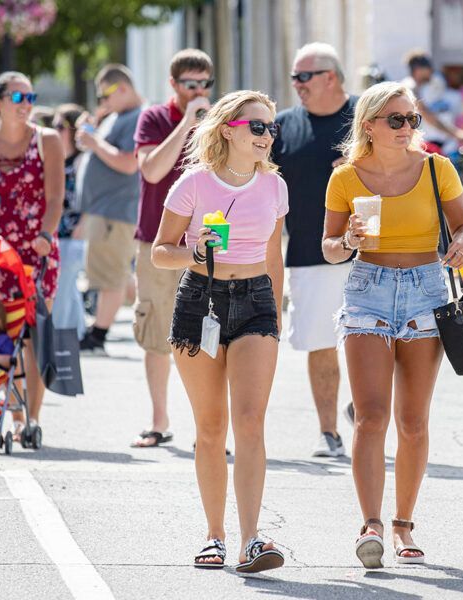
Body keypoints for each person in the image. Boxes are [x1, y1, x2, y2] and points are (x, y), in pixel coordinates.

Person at [322, 81, 463, 568]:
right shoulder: (346, 177)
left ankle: (403, 525)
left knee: (412, 422)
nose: (407, 128)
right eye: (396, 120)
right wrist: (346, 237)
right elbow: (327, 248)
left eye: (412, 119)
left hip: (426, 291)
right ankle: (369, 523)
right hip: (368, 288)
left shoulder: (437, 167)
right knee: (371, 417)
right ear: (368, 124)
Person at [152, 90, 286, 573]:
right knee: (211, 427)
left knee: (249, 420)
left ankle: (253, 538)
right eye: (257, 127)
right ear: (229, 128)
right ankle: (215, 534)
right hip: (199, 300)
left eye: (272, 128)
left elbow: (274, 258)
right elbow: (160, 251)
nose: (266, 136)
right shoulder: (194, 183)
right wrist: (195, 252)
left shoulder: (274, 187)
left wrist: (276, 310)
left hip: (255, 303)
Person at [273, 42, 357, 457]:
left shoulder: (368, 116)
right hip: (310, 252)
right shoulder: (282, 126)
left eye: (303, 76)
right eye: (293, 76)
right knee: (322, 344)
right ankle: (329, 432)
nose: (296, 84)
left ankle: (365, 406)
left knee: (383, 344)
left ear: (331, 76)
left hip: (375, 253)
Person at [132, 48, 214, 448]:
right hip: (157, 241)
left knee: (208, 336)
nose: (198, 91)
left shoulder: (219, 121)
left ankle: (208, 428)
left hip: (207, 243)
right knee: (157, 332)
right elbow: (151, 170)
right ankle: (159, 420)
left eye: (204, 84)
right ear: (174, 85)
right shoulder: (154, 118)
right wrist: (185, 123)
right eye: (190, 84)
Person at [0, 71, 64, 438]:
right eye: (18, 98)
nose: (27, 105)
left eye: (31, 97)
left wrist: (46, 233)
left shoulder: (47, 140)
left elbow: (56, 197)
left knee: (32, 332)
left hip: (36, 249)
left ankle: (28, 419)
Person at [77, 64, 143, 354]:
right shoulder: (119, 116)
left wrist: (94, 142)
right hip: (105, 210)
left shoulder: (137, 117)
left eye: (106, 95)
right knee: (113, 274)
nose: (103, 101)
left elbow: (129, 163)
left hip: (115, 210)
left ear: (124, 88)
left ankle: (98, 336)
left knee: (110, 278)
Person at [51, 103, 87, 339]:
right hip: (57, 233)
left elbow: (92, 195)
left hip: (74, 234)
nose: (55, 131)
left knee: (63, 287)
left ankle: (62, 337)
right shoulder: (60, 160)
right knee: (67, 287)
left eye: (59, 126)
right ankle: (79, 335)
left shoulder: (83, 160)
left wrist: (84, 222)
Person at [402, 51, 463, 154]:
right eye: (429, 69)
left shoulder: (420, 87)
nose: (431, 73)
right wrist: (456, 133)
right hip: (413, 143)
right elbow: (428, 116)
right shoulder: (410, 89)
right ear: (418, 70)